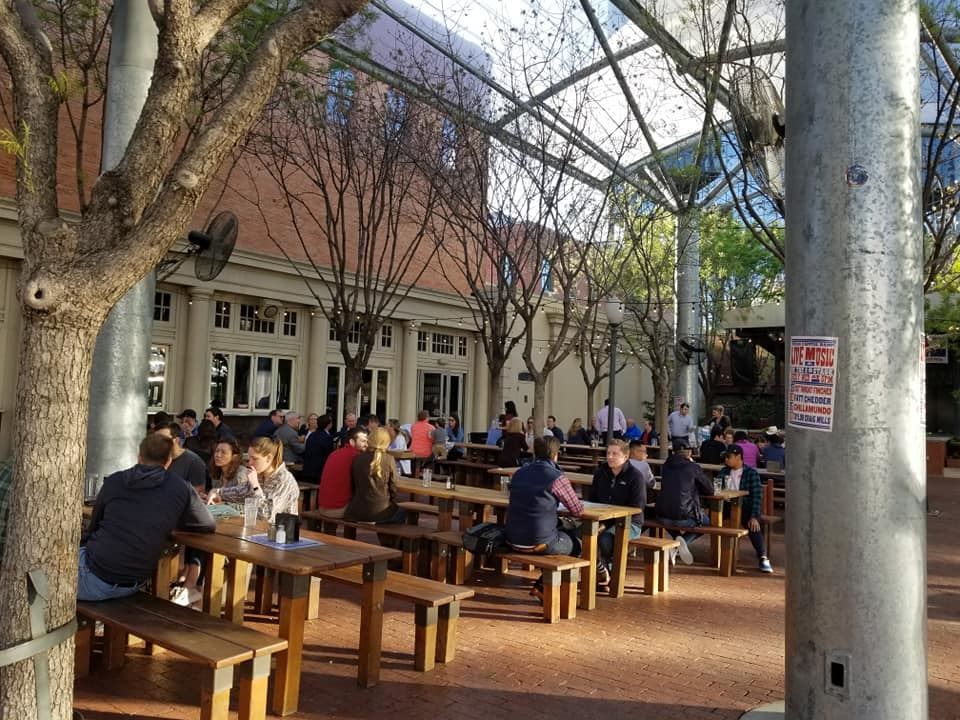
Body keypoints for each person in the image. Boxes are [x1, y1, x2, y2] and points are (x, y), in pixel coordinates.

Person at [78, 434, 215, 601]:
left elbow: (94, 526)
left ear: (139, 457)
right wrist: (171, 519)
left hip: (94, 574)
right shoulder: (182, 487)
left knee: (50, 561)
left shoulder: (115, 480)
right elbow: (207, 524)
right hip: (133, 583)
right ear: (168, 461)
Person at [505, 436, 584, 596]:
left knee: (556, 529)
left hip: (512, 538)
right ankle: (544, 588)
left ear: (535, 452)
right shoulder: (556, 477)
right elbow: (577, 510)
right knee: (579, 544)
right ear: (555, 454)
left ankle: (543, 586)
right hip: (539, 541)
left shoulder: (519, 473)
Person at [590, 439, 651, 586]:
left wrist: (607, 523)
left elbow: (638, 507)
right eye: (608, 453)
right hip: (603, 519)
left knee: (606, 539)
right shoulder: (600, 473)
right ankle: (601, 572)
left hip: (630, 522)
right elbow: (592, 500)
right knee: (583, 535)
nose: (610, 457)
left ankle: (610, 575)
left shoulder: (635, 476)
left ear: (625, 456)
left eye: (614, 454)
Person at [208, 436, 299, 524]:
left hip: (281, 531)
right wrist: (218, 492)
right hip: (257, 529)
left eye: (255, 459)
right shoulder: (260, 474)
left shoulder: (284, 480)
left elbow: (267, 515)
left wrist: (255, 486)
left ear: (269, 458)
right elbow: (241, 492)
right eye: (249, 458)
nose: (250, 463)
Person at [716, 445, 773, 573]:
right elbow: (717, 490)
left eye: (728, 457)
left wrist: (754, 516)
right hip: (726, 507)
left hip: (746, 508)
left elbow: (757, 497)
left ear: (738, 457)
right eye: (725, 457)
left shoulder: (751, 473)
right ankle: (717, 554)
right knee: (711, 520)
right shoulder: (724, 472)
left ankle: (763, 557)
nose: (726, 459)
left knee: (753, 525)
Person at [655, 442, 713, 565]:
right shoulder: (693, 467)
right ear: (689, 453)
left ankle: (676, 543)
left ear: (673, 452)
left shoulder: (665, 466)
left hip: (662, 517)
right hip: (685, 517)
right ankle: (680, 543)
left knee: (670, 518)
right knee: (708, 523)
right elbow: (710, 490)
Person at [345, 427, 405, 524]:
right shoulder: (389, 459)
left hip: (357, 510)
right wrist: (392, 500)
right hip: (380, 511)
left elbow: (353, 485)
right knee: (403, 512)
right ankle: (386, 534)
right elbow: (393, 486)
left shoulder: (357, 458)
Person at [317, 426, 368, 517]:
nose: (366, 445)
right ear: (352, 442)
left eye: (367, 441)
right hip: (340, 509)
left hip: (322, 507)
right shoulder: (357, 457)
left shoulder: (334, 453)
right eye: (363, 441)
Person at [154, 422, 207, 491]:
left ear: (176, 440)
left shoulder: (194, 461)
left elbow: (199, 489)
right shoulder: (154, 458)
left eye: (163, 439)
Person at [302, 414, 335, 483]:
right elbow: (329, 454)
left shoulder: (312, 435)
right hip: (318, 471)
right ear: (328, 425)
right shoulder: (327, 437)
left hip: (308, 469)